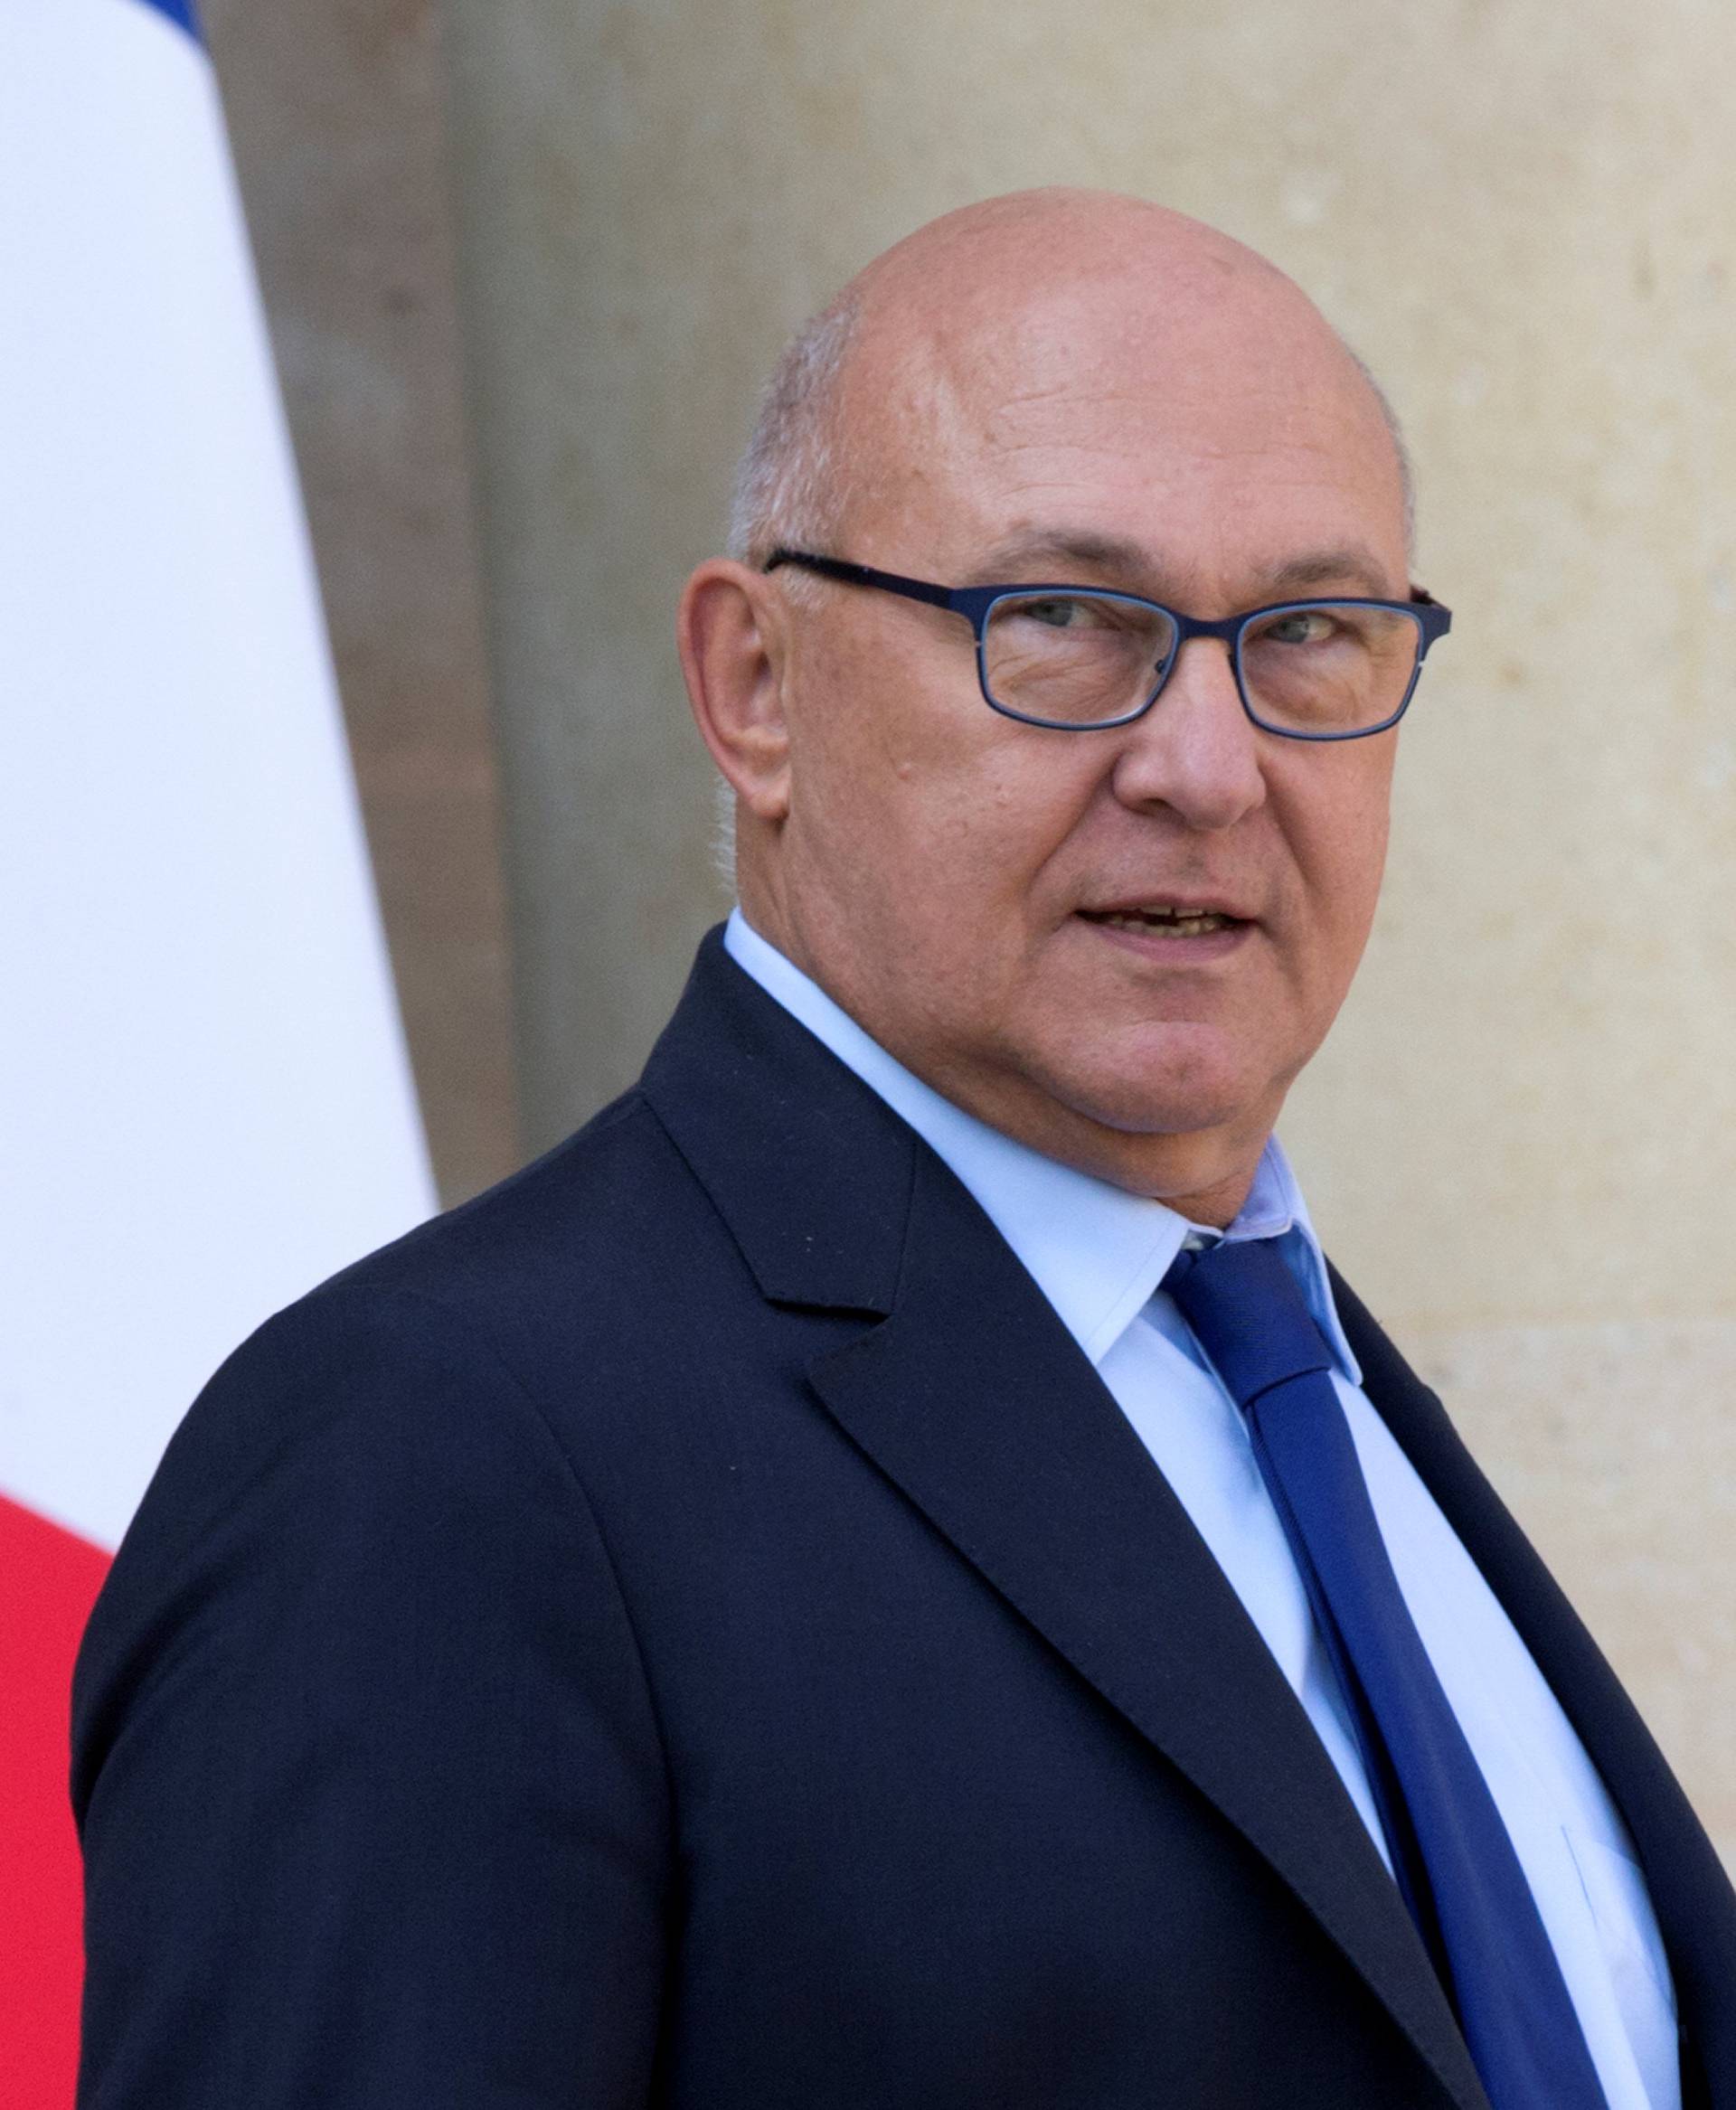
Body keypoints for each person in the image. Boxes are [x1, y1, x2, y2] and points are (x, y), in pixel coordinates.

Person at [73, 190, 1735, 2110]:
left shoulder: (1322, 1404)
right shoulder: (436, 1458)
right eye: (1063, 623)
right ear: (755, 690)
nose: (1207, 764)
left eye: (1312, 638)